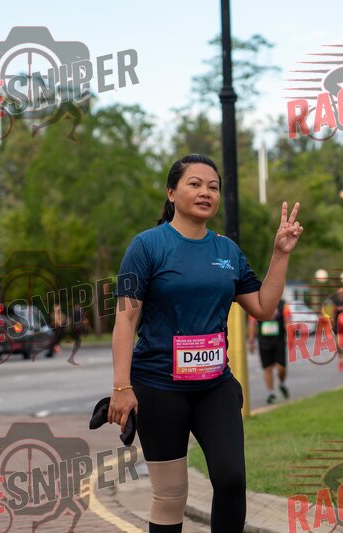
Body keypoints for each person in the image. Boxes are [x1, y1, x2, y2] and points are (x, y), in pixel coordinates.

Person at [106, 154, 303, 532]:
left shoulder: (227, 251)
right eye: (194, 184)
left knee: (231, 481)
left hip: (214, 386)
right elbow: (126, 319)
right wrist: (121, 387)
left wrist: (280, 254)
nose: (205, 192)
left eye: (213, 187)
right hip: (159, 387)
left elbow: (263, 307)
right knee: (170, 495)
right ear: (171, 192)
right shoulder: (146, 246)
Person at [248, 300, 291, 404]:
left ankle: (282, 384)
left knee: (281, 368)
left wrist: (290, 337)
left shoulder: (282, 304)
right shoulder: (257, 304)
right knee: (267, 368)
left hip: (279, 341)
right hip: (263, 342)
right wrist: (251, 341)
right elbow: (252, 323)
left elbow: (287, 321)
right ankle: (271, 393)